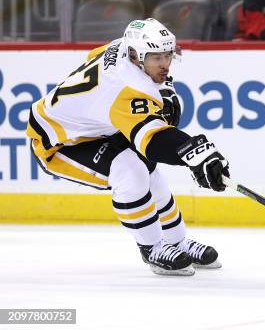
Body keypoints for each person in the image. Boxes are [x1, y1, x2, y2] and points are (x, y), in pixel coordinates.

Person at [26, 18, 231, 276]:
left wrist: (164, 89)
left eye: (168, 55)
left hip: (96, 127)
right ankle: (153, 249)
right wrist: (195, 153)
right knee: (131, 170)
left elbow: (95, 56)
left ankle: (177, 242)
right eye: (157, 58)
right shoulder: (126, 87)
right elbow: (154, 141)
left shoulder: (122, 46)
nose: (165, 64)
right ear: (136, 56)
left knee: (148, 170)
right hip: (60, 142)